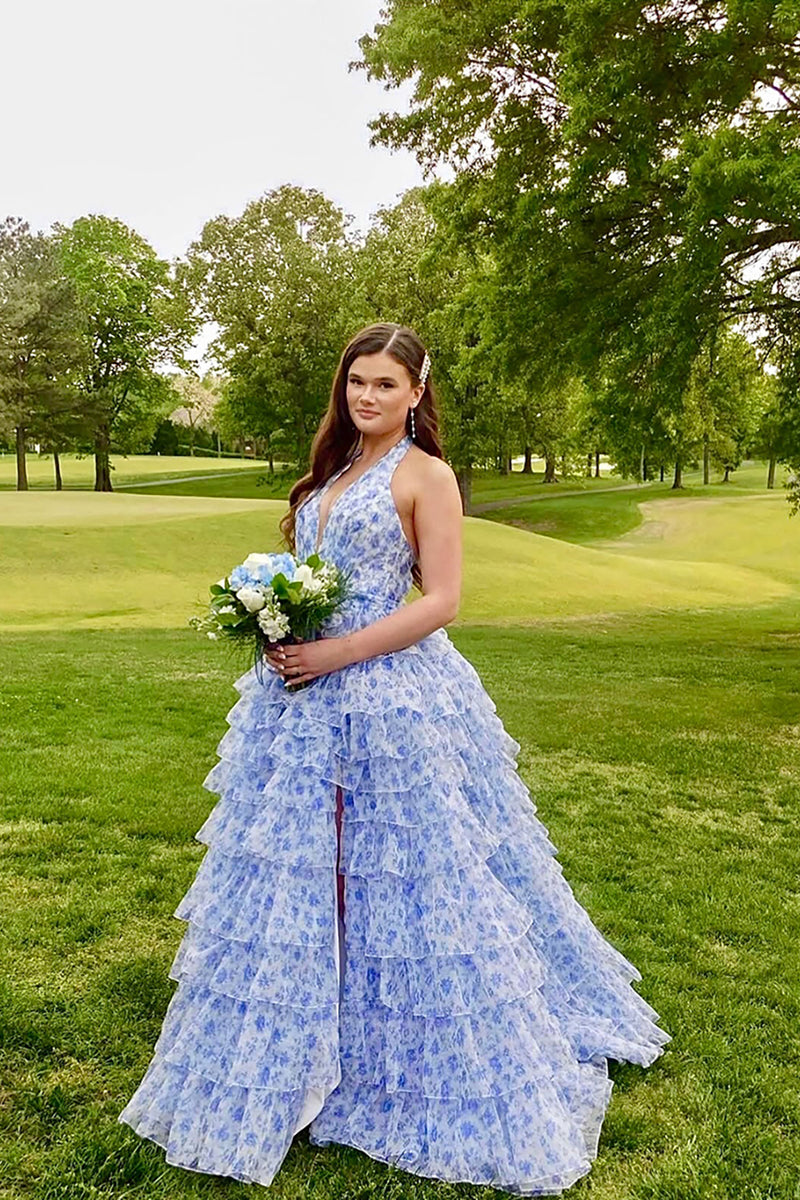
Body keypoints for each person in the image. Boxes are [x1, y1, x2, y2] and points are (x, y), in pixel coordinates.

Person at [118, 321, 671, 1193]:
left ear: (417, 393)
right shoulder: (334, 471)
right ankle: (305, 1035)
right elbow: (315, 573)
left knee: (402, 869)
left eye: (385, 384)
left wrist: (334, 652)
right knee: (309, 869)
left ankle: (392, 1045)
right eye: (357, 382)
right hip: (302, 698)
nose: (367, 397)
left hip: (388, 693)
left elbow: (442, 600)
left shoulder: (426, 476)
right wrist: (278, 620)